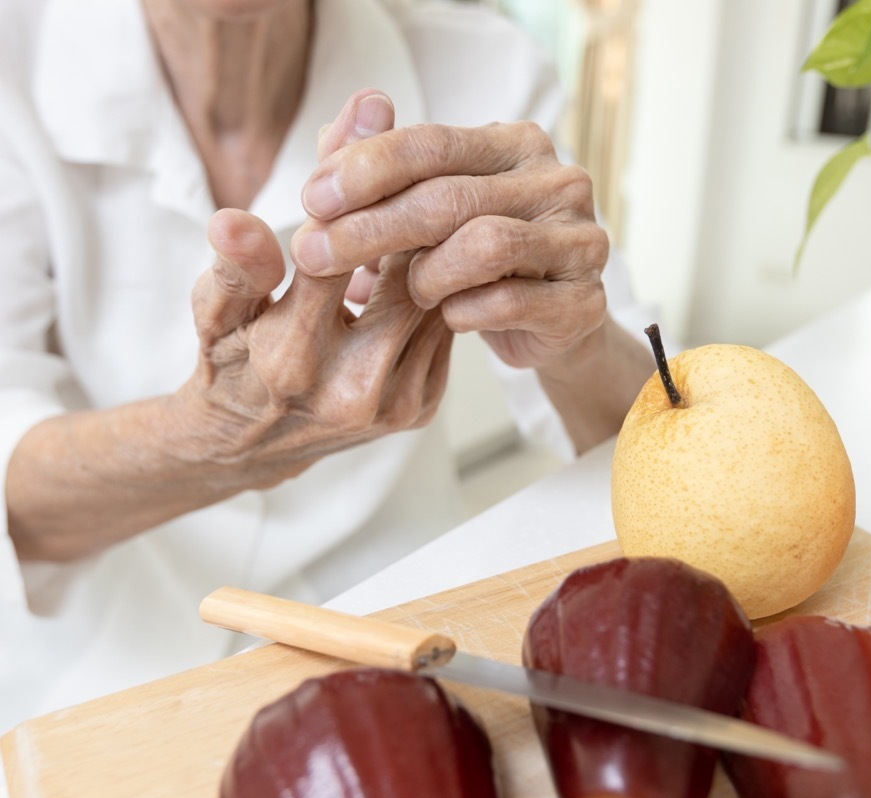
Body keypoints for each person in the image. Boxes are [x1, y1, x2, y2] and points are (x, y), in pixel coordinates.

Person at [0, 0, 656, 733]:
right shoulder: (14, 59)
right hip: (99, 679)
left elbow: (654, 456)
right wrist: (210, 441)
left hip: (396, 648)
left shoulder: (481, 65)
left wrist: (578, 336)